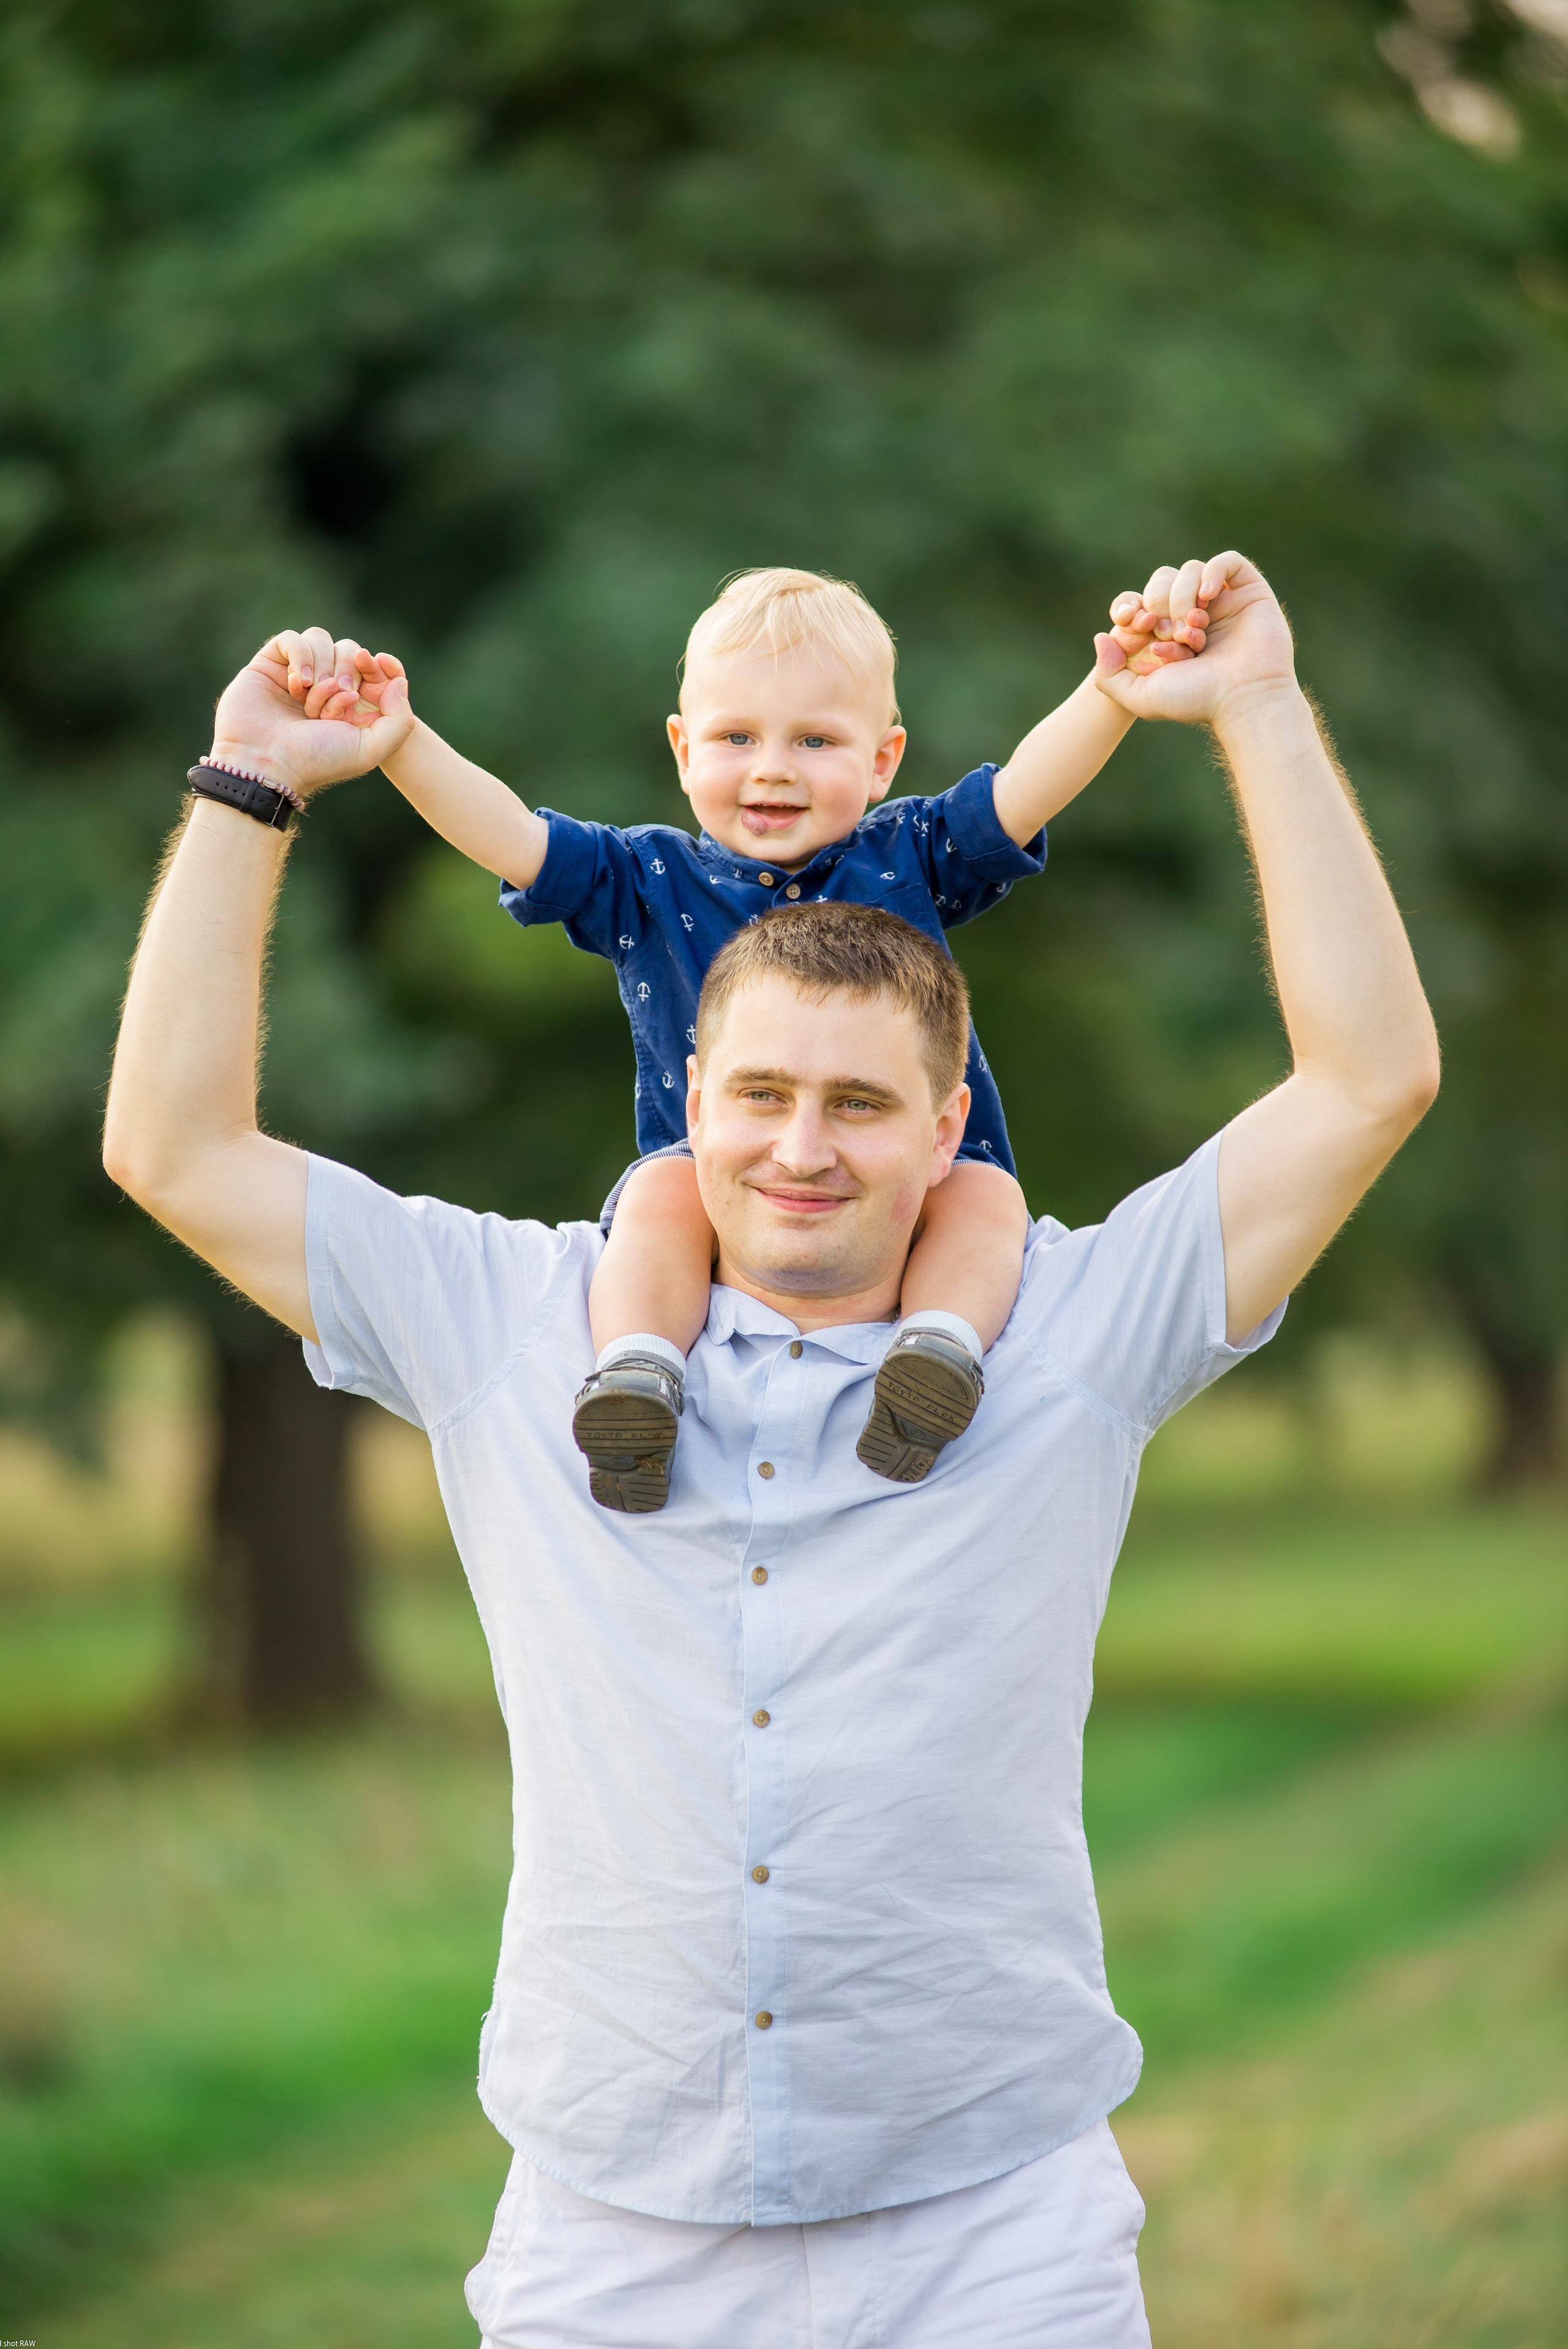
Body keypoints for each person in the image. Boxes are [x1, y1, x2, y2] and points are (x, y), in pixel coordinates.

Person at [102, 552, 1439, 2347]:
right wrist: (254, 781)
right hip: (609, 2233)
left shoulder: (1072, 1330)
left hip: (996, 2231)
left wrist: (1256, 707)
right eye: (759, 1096)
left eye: (863, 1102)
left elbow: (1368, 1081)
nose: (802, 1148)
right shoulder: (520, 1326)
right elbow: (175, 1147)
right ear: (688, 1098)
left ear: (948, 1122)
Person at [258, 568, 1178, 1510]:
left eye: (815, 740)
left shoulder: (906, 854)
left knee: (988, 1198)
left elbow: (1021, 794)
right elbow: (513, 839)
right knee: (659, 1191)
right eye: (737, 737)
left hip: (919, 1177)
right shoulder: (648, 877)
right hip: (720, 1182)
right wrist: (402, 744)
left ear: (883, 760)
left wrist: (1109, 694)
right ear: (683, 748)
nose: (772, 766)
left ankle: (936, 1359)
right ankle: (637, 1377)